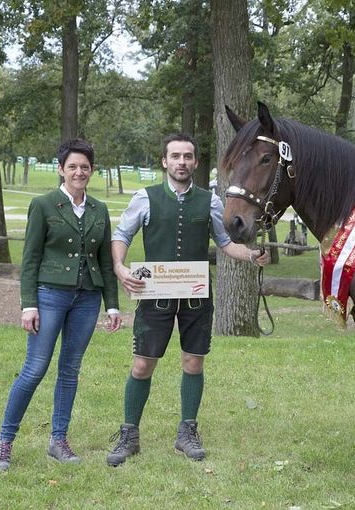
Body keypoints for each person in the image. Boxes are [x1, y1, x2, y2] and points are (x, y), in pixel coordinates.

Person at [106, 133, 269, 467]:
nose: (182, 162)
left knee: (193, 363)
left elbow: (225, 242)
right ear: (165, 161)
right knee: (141, 365)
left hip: (196, 298)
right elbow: (122, 234)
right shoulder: (145, 197)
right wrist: (120, 267)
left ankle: (187, 433)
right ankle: (129, 435)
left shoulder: (209, 200)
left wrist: (251, 255)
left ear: (195, 162)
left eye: (188, 156)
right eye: (176, 156)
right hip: (155, 297)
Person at [0, 139, 122, 472]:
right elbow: (30, 259)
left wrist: (113, 306)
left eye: (85, 167)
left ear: (92, 171)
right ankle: (5, 442)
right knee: (35, 368)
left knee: (70, 370)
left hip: (88, 298)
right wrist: (28, 304)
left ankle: (58, 440)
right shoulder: (44, 204)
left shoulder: (99, 209)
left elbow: (105, 262)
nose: (79, 172)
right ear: (61, 169)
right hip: (49, 295)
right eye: (73, 166)